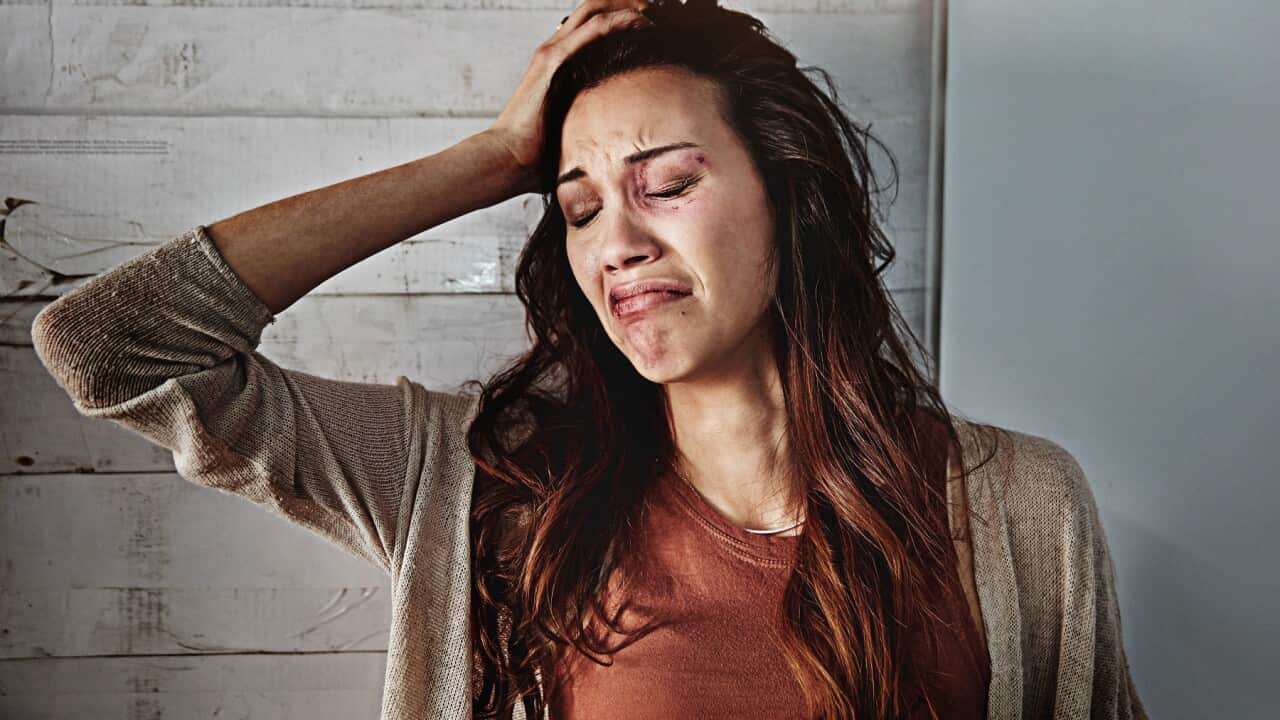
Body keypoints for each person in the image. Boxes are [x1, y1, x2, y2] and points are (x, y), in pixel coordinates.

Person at [29, 0, 1147, 718]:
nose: (616, 241)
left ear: (789, 200)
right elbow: (112, 346)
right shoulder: (481, 485)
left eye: (666, 185)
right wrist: (486, 160)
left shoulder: (1016, 508)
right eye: (574, 207)